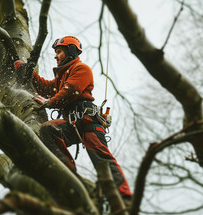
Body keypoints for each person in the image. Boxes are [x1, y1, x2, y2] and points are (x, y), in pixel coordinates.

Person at [14, 36, 132, 199]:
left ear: (70, 51)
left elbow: (71, 90)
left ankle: (123, 195)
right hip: (72, 123)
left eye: (59, 52)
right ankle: (69, 177)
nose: (55, 56)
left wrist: (49, 102)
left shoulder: (81, 69)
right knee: (49, 130)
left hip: (88, 122)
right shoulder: (62, 77)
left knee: (101, 158)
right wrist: (26, 70)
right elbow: (47, 88)